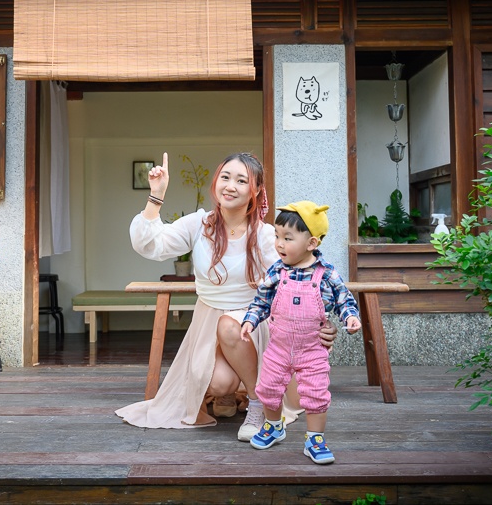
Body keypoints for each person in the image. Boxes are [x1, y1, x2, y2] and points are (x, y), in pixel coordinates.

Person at [116, 152, 337, 439]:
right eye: (225, 177)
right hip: (208, 321)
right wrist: (156, 196)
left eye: (241, 180)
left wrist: (323, 322)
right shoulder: (199, 225)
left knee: (230, 326)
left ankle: (259, 403)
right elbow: (149, 245)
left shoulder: (266, 235)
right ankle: (230, 394)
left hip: (252, 324)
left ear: (255, 191)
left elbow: (301, 277)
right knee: (220, 383)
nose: (230, 186)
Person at [240, 200, 361, 464]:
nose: (279, 244)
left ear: (312, 243)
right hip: (279, 347)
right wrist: (250, 321)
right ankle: (274, 426)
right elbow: (261, 300)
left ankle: (315, 438)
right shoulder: (276, 271)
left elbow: (344, 299)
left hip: (312, 350)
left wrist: (351, 317)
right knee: (268, 388)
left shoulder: (326, 274)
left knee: (316, 394)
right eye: (277, 236)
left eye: (288, 238)